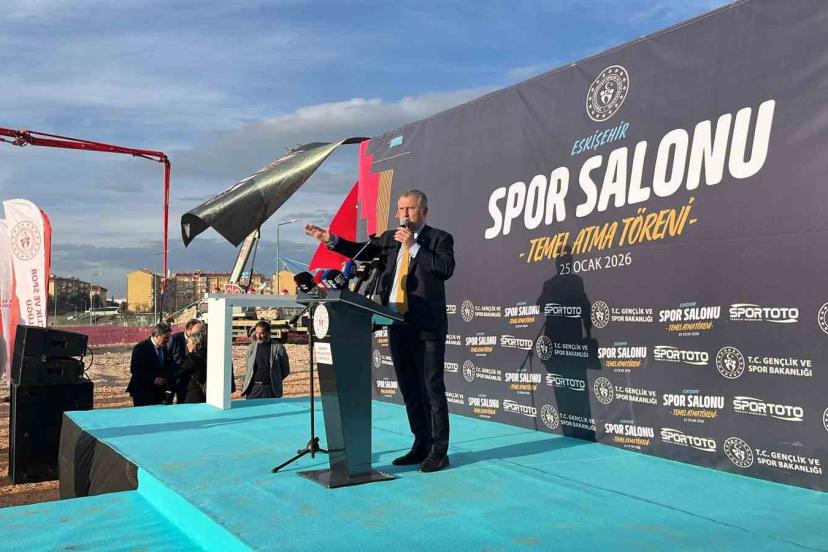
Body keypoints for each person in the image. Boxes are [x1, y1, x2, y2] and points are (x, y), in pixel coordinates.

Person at [304, 189, 455, 472]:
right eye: (401, 209)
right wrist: (330, 240)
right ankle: (421, 443)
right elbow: (360, 251)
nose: (404, 214)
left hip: (427, 327)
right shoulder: (388, 239)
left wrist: (413, 246)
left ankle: (439, 450)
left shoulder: (439, 239)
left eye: (410, 209)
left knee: (431, 388)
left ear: (423, 211)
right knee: (410, 389)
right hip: (396, 323)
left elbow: (445, 268)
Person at [241, 320, 291, 399]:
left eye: (262, 333)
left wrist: (275, 379)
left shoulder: (278, 348)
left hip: (270, 389)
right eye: (257, 333)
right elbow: (248, 368)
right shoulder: (251, 348)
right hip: (253, 388)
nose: (258, 336)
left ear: (268, 333)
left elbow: (285, 370)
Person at [127, 323, 173, 407]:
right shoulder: (141, 348)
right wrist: (153, 379)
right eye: (165, 337)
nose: (168, 340)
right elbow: (135, 369)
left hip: (159, 392)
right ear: (157, 336)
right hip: (143, 391)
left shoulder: (164, 347)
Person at [167, 318, 204, 403]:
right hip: (174, 378)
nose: (199, 332)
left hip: (188, 382)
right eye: (196, 330)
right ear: (188, 329)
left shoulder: (200, 339)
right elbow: (167, 357)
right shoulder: (174, 339)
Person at [175, 330, 208, 403]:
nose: (187, 345)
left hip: (191, 394)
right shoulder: (207, 355)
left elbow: (178, 372)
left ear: (195, 344)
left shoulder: (191, 358)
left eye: (189, 342)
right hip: (203, 392)